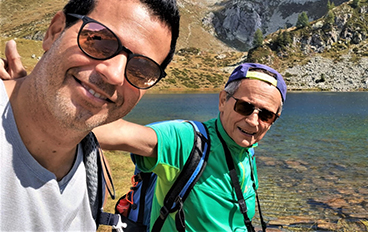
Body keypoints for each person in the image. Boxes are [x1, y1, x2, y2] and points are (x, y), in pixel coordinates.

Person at [0, 0, 180, 231]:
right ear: (54, 32)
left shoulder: (90, 167)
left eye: (142, 69)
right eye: (98, 40)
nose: (114, 74)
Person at [94, 62, 287, 231]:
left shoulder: (247, 151)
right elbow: (110, 132)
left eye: (266, 115)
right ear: (223, 101)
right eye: (244, 107)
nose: (254, 122)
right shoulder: (188, 141)